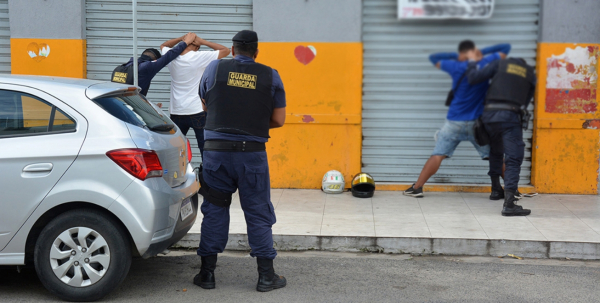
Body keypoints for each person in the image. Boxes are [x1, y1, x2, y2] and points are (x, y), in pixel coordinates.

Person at [194, 30, 287, 292]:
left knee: (215, 208)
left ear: (233, 51)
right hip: (252, 155)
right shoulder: (271, 75)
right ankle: (266, 277)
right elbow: (279, 120)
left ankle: (207, 275)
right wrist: (254, 123)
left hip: (216, 154)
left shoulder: (214, 68)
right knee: (258, 211)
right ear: (256, 52)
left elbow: (205, 104)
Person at [403, 40, 510, 197]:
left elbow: (434, 58)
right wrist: (481, 52)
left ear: (462, 53)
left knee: (438, 154)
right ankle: (512, 190)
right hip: (477, 124)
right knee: (495, 156)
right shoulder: (485, 61)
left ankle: (417, 188)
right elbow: (506, 47)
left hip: (454, 122)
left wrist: (457, 56)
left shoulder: (456, 66)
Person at [466, 56, 536, 216]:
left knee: (496, 151)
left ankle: (496, 189)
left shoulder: (499, 64)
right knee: (513, 157)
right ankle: (510, 203)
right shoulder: (529, 73)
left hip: (489, 116)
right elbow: (526, 99)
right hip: (510, 116)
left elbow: (473, 79)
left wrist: (471, 63)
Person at [160, 35, 230, 156]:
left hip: (177, 111)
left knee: (175, 150)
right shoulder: (198, 56)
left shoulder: (170, 56)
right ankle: (207, 174)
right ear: (197, 46)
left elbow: (163, 45)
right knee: (205, 148)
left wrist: (181, 39)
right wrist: (202, 41)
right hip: (197, 110)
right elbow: (226, 50)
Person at [119, 32, 196, 96]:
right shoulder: (147, 67)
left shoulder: (122, 68)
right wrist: (186, 42)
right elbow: (168, 56)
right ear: (155, 60)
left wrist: (181, 38)